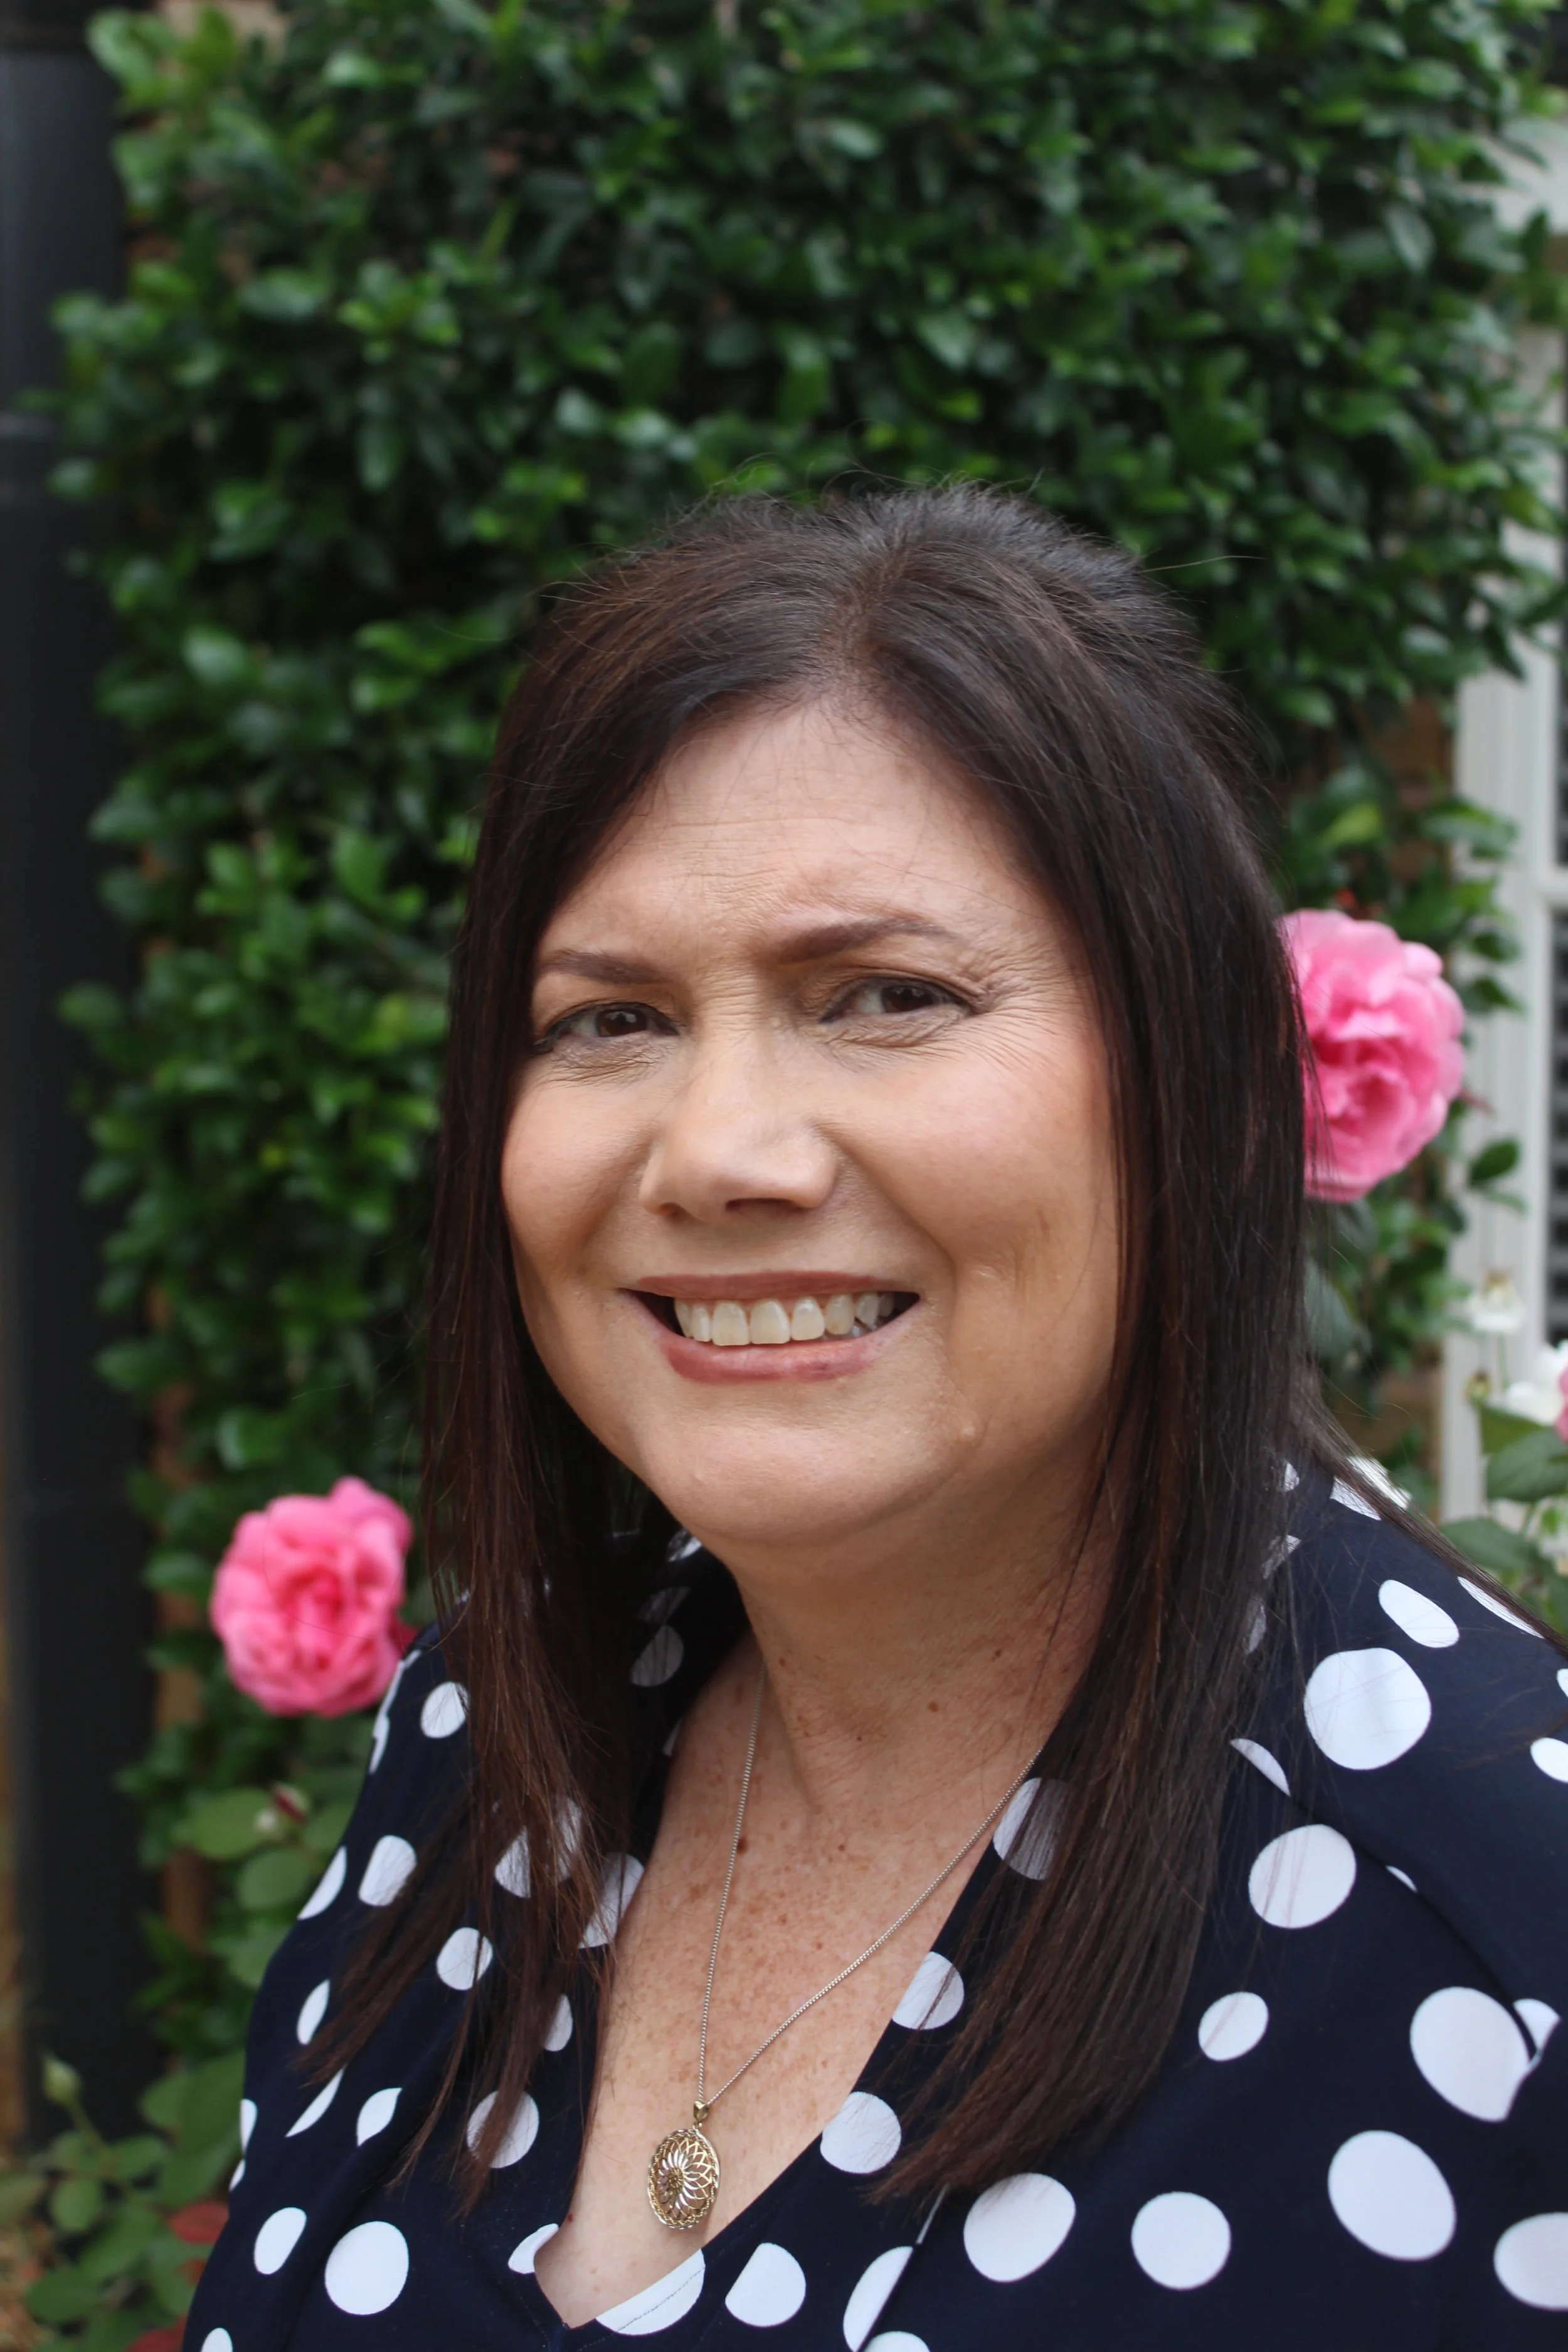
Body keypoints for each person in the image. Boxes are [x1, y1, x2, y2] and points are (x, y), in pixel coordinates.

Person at [187, 489, 1568, 2352]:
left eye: (886, 996)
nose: (721, 1152)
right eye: (608, 1019)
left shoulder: (1488, 1935)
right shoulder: (483, 1735)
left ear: (1210, 1086)